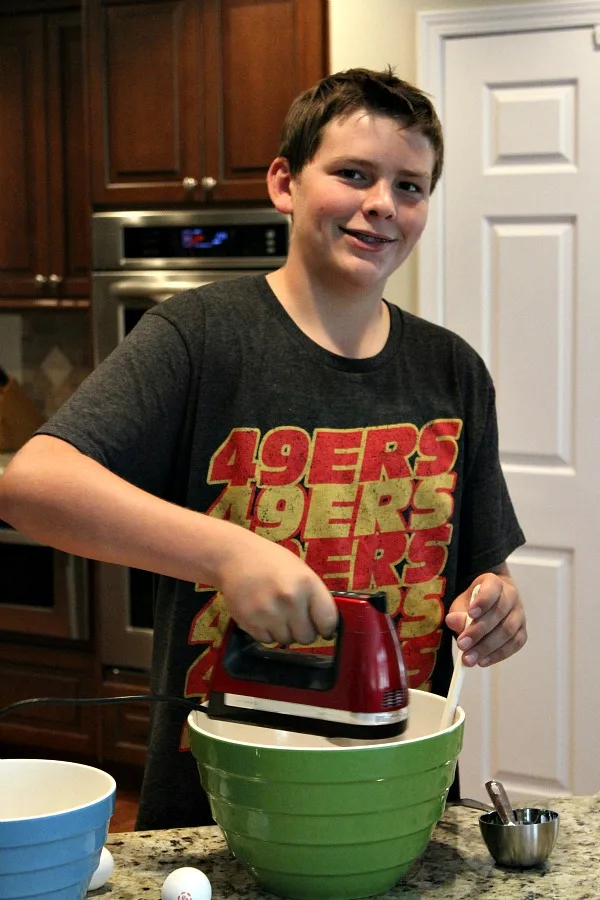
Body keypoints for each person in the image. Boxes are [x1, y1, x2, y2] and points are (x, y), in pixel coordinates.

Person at [0, 67, 526, 829]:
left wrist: (496, 604)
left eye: (410, 186)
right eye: (353, 174)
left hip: (400, 792)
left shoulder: (454, 372)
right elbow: (33, 484)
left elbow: (484, 571)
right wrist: (228, 555)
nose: (383, 204)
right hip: (221, 800)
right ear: (285, 182)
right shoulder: (201, 335)